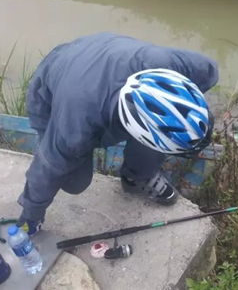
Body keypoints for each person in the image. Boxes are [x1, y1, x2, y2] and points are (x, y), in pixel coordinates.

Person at [17, 33, 219, 235]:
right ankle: (48, 143)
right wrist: (30, 217)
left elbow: (209, 72)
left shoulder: (177, 65)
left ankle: (137, 177)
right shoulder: (73, 128)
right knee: (75, 182)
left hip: (106, 53)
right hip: (56, 80)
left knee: (157, 129)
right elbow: (48, 167)